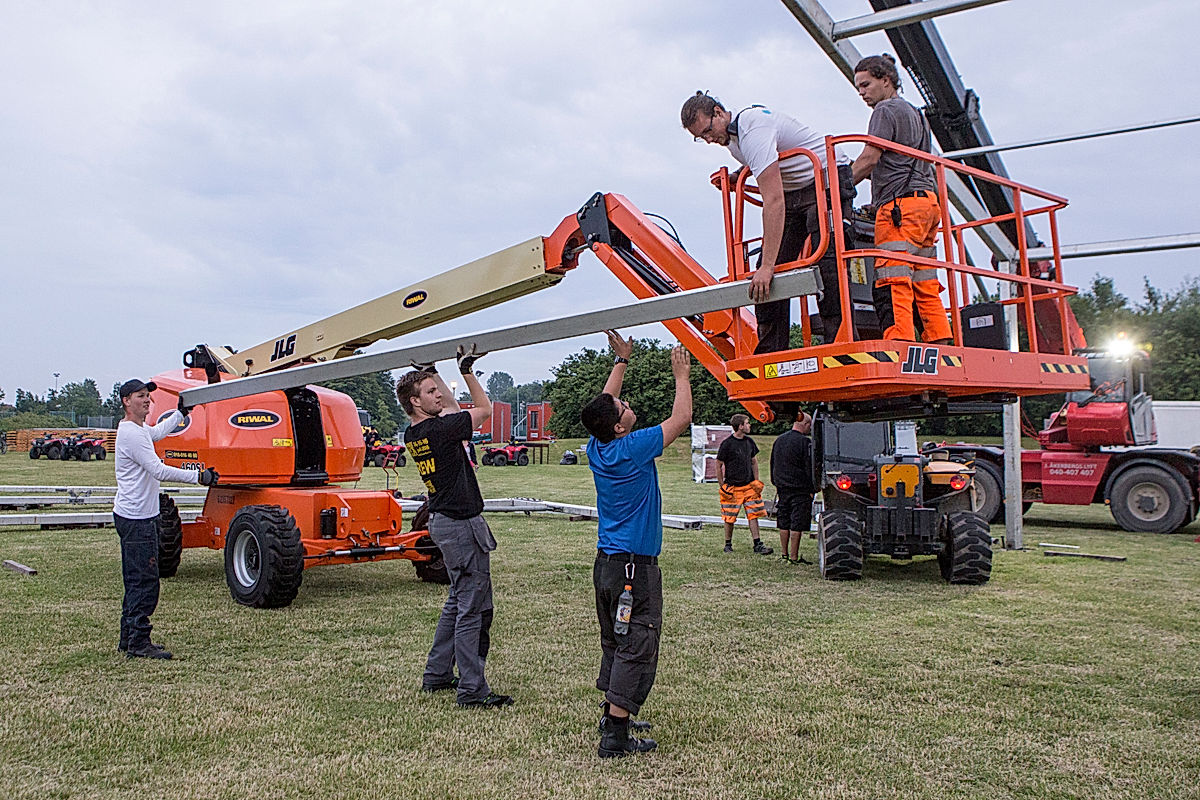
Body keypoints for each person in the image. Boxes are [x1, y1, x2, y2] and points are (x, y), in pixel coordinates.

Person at [581, 330, 692, 758]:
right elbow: (680, 419)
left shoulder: (598, 446)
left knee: (616, 639)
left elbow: (603, 406)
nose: (628, 405)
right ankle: (616, 738)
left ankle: (614, 713)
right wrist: (681, 375)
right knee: (636, 642)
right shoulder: (632, 447)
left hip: (608, 565)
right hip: (633, 569)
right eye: (624, 407)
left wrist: (622, 362)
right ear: (618, 425)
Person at [682, 92, 856, 352]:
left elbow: (773, 200)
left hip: (826, 180)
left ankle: (840, 343)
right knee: (765, 275)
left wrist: (768, 266)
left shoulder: (752, 128)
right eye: (701, 138)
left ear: (718, 112)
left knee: (827, 260)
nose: (708, 140)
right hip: (796, 190)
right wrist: (739, 175)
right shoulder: (734, 140)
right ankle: (770, 352)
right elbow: (766, 161)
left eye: (707, 131)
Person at [399, 347, 513, 709]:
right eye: (431, 391)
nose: (439, 395)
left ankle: (436, 674)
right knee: (473, 607)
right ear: (416, 402)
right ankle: (472, 690)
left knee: (457, 601)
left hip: (444, 522)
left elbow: (449, 411)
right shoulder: (441, 430)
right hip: (461, 526)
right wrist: (466, 372)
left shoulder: (415, 431)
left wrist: (433, 372)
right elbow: (483, 411)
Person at [850, 53, 952, 344]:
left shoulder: (883, 111)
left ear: (886, 80)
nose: (862, 92)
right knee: (924, 279)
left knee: (894, 275)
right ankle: (939, 338)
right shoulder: (917, 114)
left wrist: (836, 185)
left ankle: (900, 343)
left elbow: (869, 159)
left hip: (900, 210)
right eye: (858, 87)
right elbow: (898, 163)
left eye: (866, 84)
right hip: (928, 205)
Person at [113, 379, 218, 659]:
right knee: (145, 582)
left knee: (136, 580)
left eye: (148, 396)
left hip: (135, 515)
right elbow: (158, 470)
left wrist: (181, 414)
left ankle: (129, 637)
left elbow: (158, 432)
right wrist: (199, 476)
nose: (147, 400)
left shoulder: (137, 430)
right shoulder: (132, 434)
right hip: (137, 520)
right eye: (140, 396)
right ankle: (138, 642)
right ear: (126, 401)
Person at [716, 413, 773, 556]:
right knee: (729, 517)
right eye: (747, 423)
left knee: (753, 515)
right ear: (740, 426)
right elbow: (718, 464)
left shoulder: (749, 442)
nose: (749, 425)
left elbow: (754, 461)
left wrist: (756, 481)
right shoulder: (727, 444)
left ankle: (757, 544)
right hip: (732, 487)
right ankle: (728, 544)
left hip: (749, 487)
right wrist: (722, 484)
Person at [770, 411, 816, 565]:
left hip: (782, 487)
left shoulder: (779, 440)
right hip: (800, 489)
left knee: (784, 521)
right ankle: (794, 556)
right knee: (797, 522)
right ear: (806, 424)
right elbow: (809, 467)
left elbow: (773, 464)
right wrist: (812, 488)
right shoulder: (805, 443)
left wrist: (776, 482)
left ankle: (784, 554)